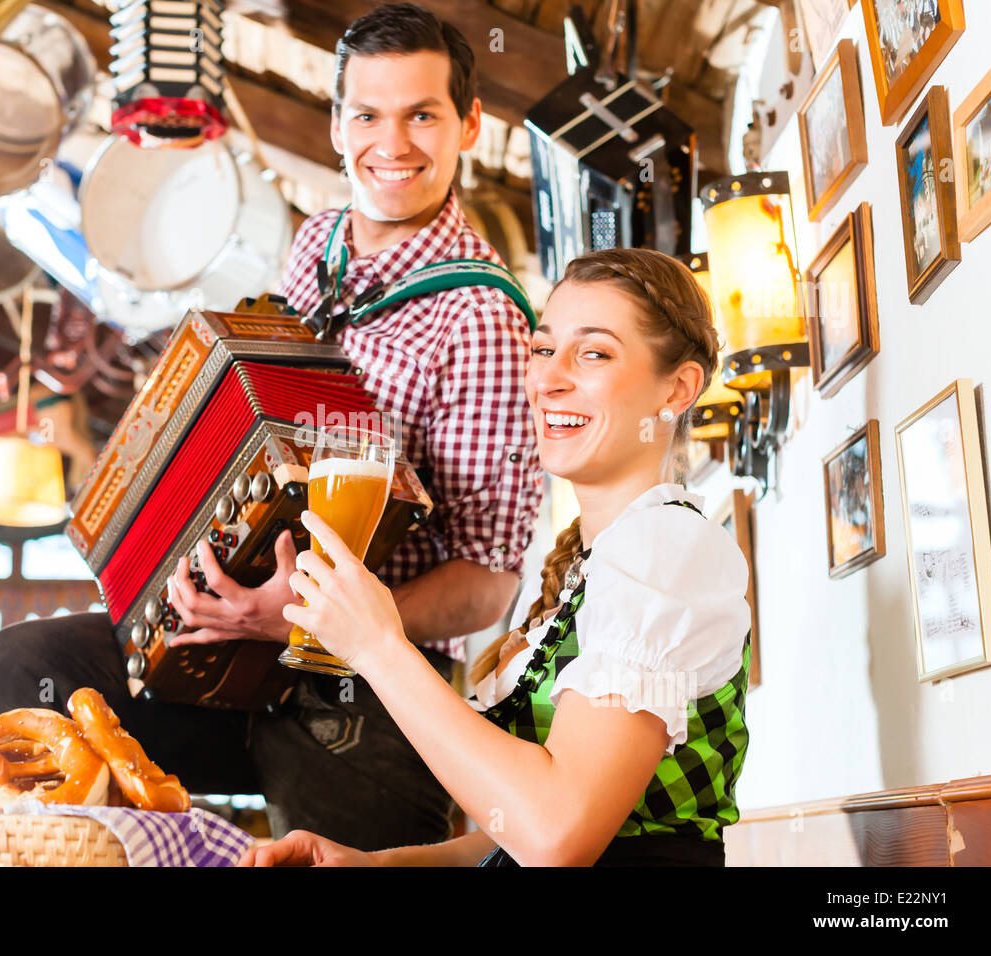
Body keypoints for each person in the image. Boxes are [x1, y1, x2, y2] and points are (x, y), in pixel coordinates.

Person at [0, 2, 543, 851]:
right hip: (230, 646)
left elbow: (487, 584)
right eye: (368, 115)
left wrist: (303, 621)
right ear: (336, 125)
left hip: (364, 683)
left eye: (422, 115)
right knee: (8, 673)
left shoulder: (484, 317)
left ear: (470, 125)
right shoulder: (315, 246)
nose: (393, 143)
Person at [240, 248, 753, 867]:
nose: (548, 378)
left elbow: (557, 838)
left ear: (678, 388)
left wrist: (377, 647)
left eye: (593, 353)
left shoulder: (666, 549)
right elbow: (512, 834)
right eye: (543, 349)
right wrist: (375, 865)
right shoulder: (587, 569)